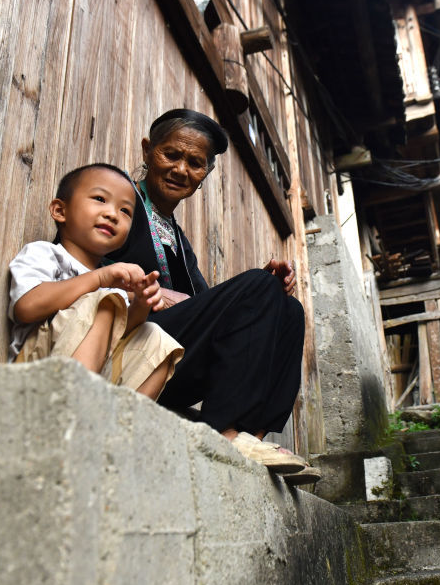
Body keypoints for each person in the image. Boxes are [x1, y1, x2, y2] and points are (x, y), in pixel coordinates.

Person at [107, 108, 319, 484]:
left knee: (289, 309)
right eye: (170, 155)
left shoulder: (176, 237)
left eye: (195, 163)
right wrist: (148, 292)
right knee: (257, 285)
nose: (181, 170)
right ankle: (224, 432)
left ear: (204, 174)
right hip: (128, 350)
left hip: (170, 360)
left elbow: (209, 312)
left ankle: (252, 438)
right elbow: (75, 261)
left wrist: (268, 291)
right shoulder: (120, 202)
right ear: (146, 150)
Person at [8, 163, 183, 401]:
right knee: (104, 301)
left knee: (158, 339)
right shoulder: (45, 254)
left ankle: (122, 430)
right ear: (60, 210)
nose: (112, 214)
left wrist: (141, 303)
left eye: (125, 211)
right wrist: (99, 279)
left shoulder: (112, 284)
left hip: (96, 383)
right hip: (37, 376)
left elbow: (121, 335)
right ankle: (75, 412)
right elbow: (26, 307)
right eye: (100, 199)